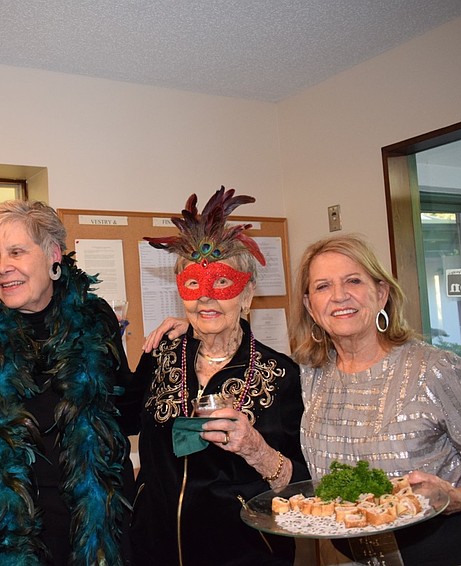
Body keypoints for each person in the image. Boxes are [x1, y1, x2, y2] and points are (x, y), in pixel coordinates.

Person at [290, 233, 461, 565]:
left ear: (381, 293)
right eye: (322, 287)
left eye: (353, 281)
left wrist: (453, 498)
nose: (339, 296)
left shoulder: (437, 370)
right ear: (310, 308)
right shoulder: (311, 374)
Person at [126, 187, 310, 566]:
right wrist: (104, 341)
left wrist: (257, 450)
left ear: (247, 295)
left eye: (222, 283)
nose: (205, 299)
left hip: (246, 554)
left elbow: (305, 482)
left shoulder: (284, 375)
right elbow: (120, 416)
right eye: (193, 284)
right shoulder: (161, 354)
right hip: (155, 549)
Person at [0, 200, 134, 565]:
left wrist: (174, 346)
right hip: (7, 526)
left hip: (91, 516)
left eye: (16, 252)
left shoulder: (95, 316)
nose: (3, 268)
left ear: (53, 254)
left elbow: (125, 412)